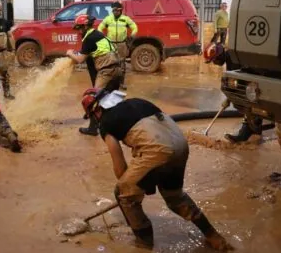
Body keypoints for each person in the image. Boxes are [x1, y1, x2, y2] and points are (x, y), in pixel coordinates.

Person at [80, 88, 233, 251]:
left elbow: (120, 167)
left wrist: (132, 188)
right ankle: (214, 237)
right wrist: (145, 177)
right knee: (175, 198)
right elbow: (155, 137)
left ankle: (143, 245)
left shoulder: (106, 122)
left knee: (123, 193)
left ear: (96, 110)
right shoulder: (138, 102)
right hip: (181, 146)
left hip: (157, 151)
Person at [203, 43, 273, 142]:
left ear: (219, 55)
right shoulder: (230, 57)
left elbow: (239, 81)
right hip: (256, 81)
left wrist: (230, 98)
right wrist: (229, 97)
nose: (214, 63)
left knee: (249, 103)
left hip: (260, 79)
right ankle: (254, 131)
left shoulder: (233, 59)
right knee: (251, 103)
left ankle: (246, 133)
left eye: (214, 60)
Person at [66, 14, 122, 136]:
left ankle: (92, 129)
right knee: (111, 100)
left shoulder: (89, 38)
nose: (79, 31)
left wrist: (70, 53)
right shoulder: (98, 35)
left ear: (85, 26)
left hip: (106, 72)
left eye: (79, 28)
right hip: (117, 70)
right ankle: (115, 126)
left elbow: (80, 59)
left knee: (91, 99)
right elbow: (90, 53)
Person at [98, 1, 138, 90]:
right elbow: (100, 28)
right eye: (113, 11)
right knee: (110, 64)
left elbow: (134, 27)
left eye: (117, 11)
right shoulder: (108, 19)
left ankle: (121, 83)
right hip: (110, 45)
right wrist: (104, 37)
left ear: (121, 10)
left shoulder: (126, 19)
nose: (115, 12)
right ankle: (109, 83)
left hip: (122, 44)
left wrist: (132, 35)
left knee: (121, 64)